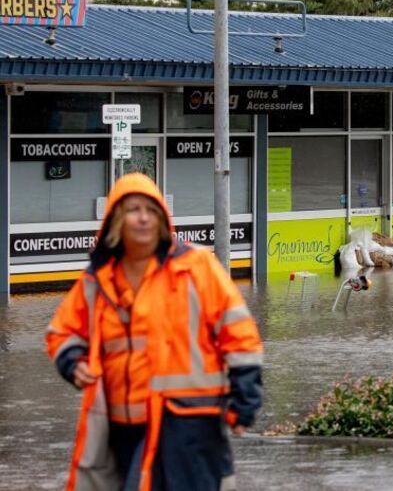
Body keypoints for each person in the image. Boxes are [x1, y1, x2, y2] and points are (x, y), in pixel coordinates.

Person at [46, 173, 263, 491]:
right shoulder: (98, 279)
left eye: (151, 209)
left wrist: (246, 399)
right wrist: (71, 360)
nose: (144, 218)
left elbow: (239, 333)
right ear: (116, 220)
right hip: (116, 427)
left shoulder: (196, 267)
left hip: (184, 422)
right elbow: (62, 331)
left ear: (163, 217)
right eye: (133, 209)